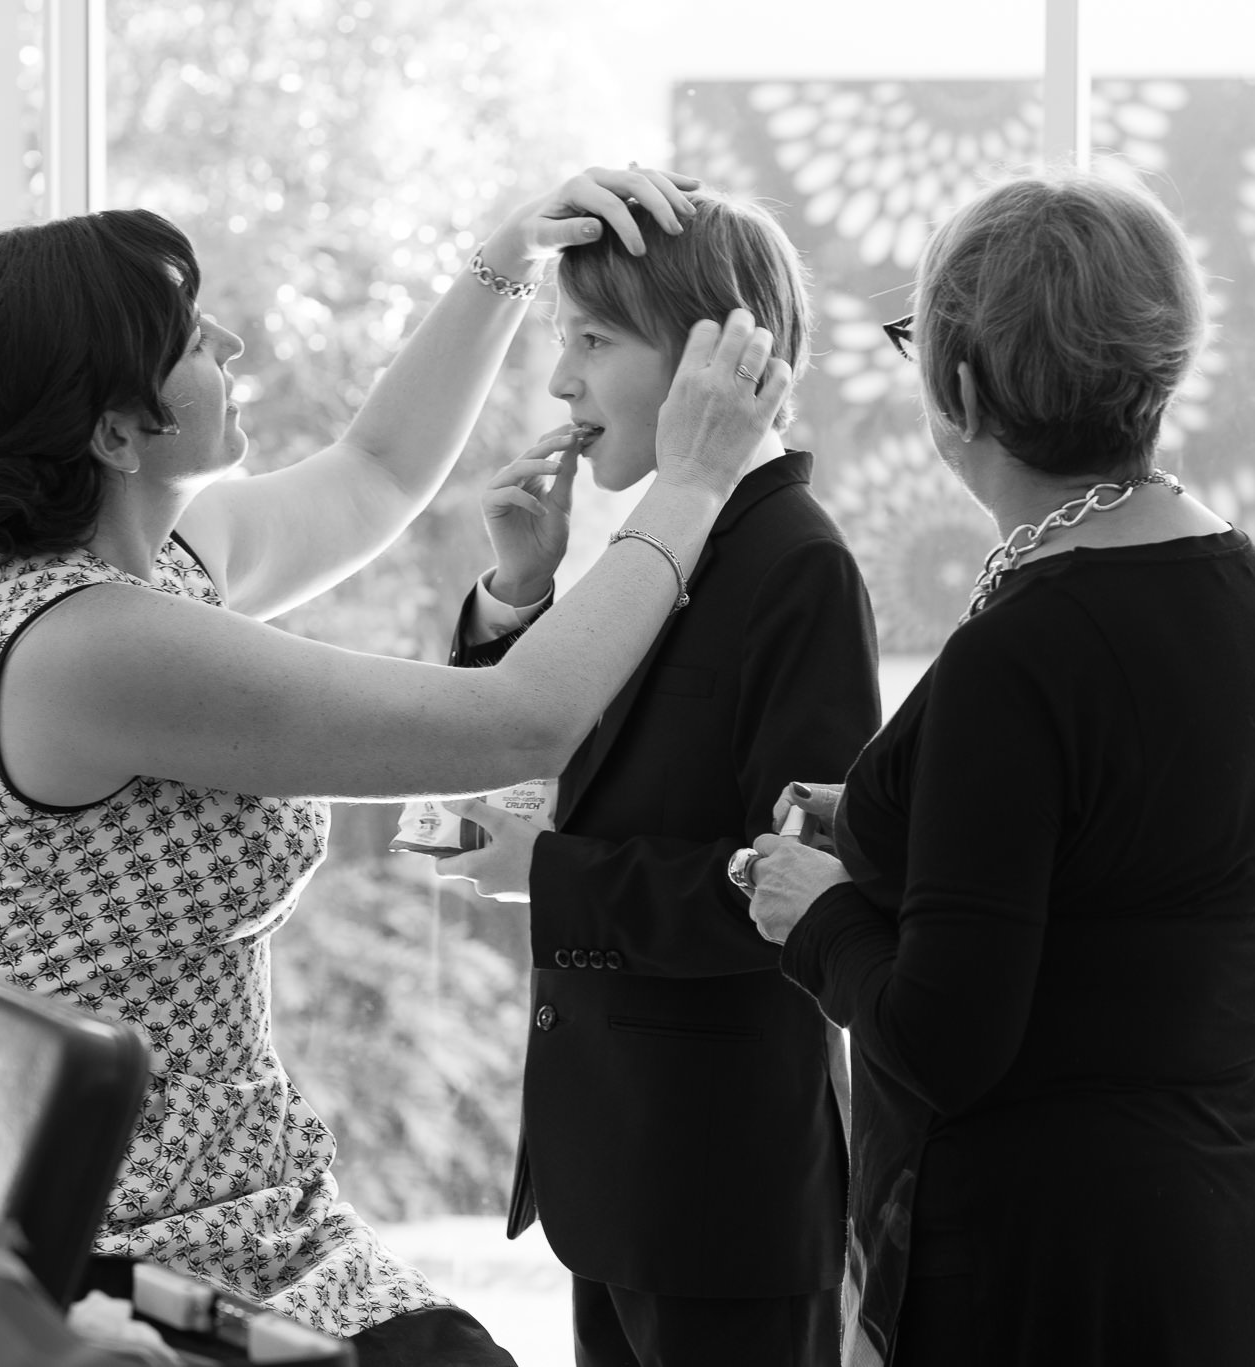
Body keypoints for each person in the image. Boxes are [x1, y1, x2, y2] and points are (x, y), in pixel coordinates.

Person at [0, 166, 795, 1366]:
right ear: (115, 432)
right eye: (189, 335)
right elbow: (522, 719)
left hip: (215, 1202)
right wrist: (691, 482)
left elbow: (376, 472)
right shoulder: (90, 648)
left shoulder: (149, 563)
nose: (234, 340)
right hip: (77, 1226)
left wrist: (508, 252)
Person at [744, 167, 1255, 1367]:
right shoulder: (1250, 595)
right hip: (1220, 1217)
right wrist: (874, 813)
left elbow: (945, 1036)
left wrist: (819, 917)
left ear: (957, 383)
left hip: (1039, 1253)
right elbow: (1122, 844)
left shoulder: (1022, 650)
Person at [431, 191, 880, 1367]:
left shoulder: (796, 566)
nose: (559, 386)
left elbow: (798, 890)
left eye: (590, 341)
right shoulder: (666, 547)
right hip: (624, 1175)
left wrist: (556, 875)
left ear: (712, 360)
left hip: (721, 1190)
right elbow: (533, 734)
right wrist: (514, 595)